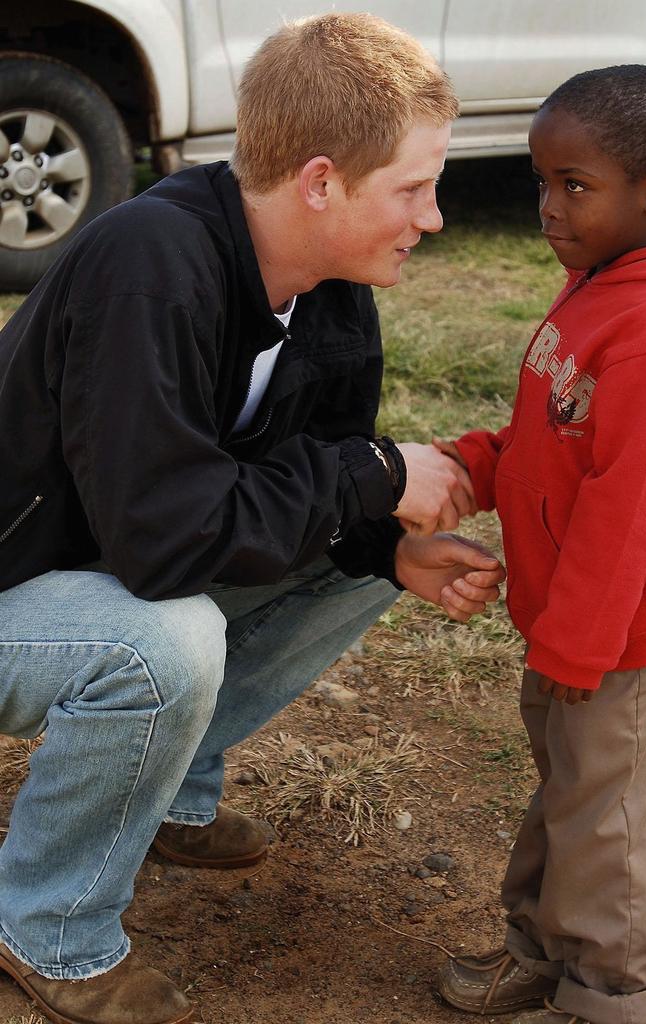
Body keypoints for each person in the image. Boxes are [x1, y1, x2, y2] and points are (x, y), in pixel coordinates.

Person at [0, 14, 505, 1024]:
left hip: (101, 565)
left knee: (366, 543)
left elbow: (298, 480)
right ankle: (48, 928)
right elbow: (164, 541)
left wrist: (387, 550)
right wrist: (370, 472)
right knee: (164, 642)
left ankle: (168, 792)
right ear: (320, 182)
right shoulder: (151, 264)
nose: (436, 216)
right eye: (414, 188)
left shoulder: (330, 286)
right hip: (20, 595)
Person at [434, 65, 646, 1024]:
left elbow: (632, 508)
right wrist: (472, 470)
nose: (547, 207)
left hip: (618, 643)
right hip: (570, 628)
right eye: (541, 180)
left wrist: (579, 640)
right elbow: (551, 443)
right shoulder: (598, 288)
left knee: (606, 830)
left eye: (575, 184)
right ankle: (538, 951)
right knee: (569, 797)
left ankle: (610, 996)